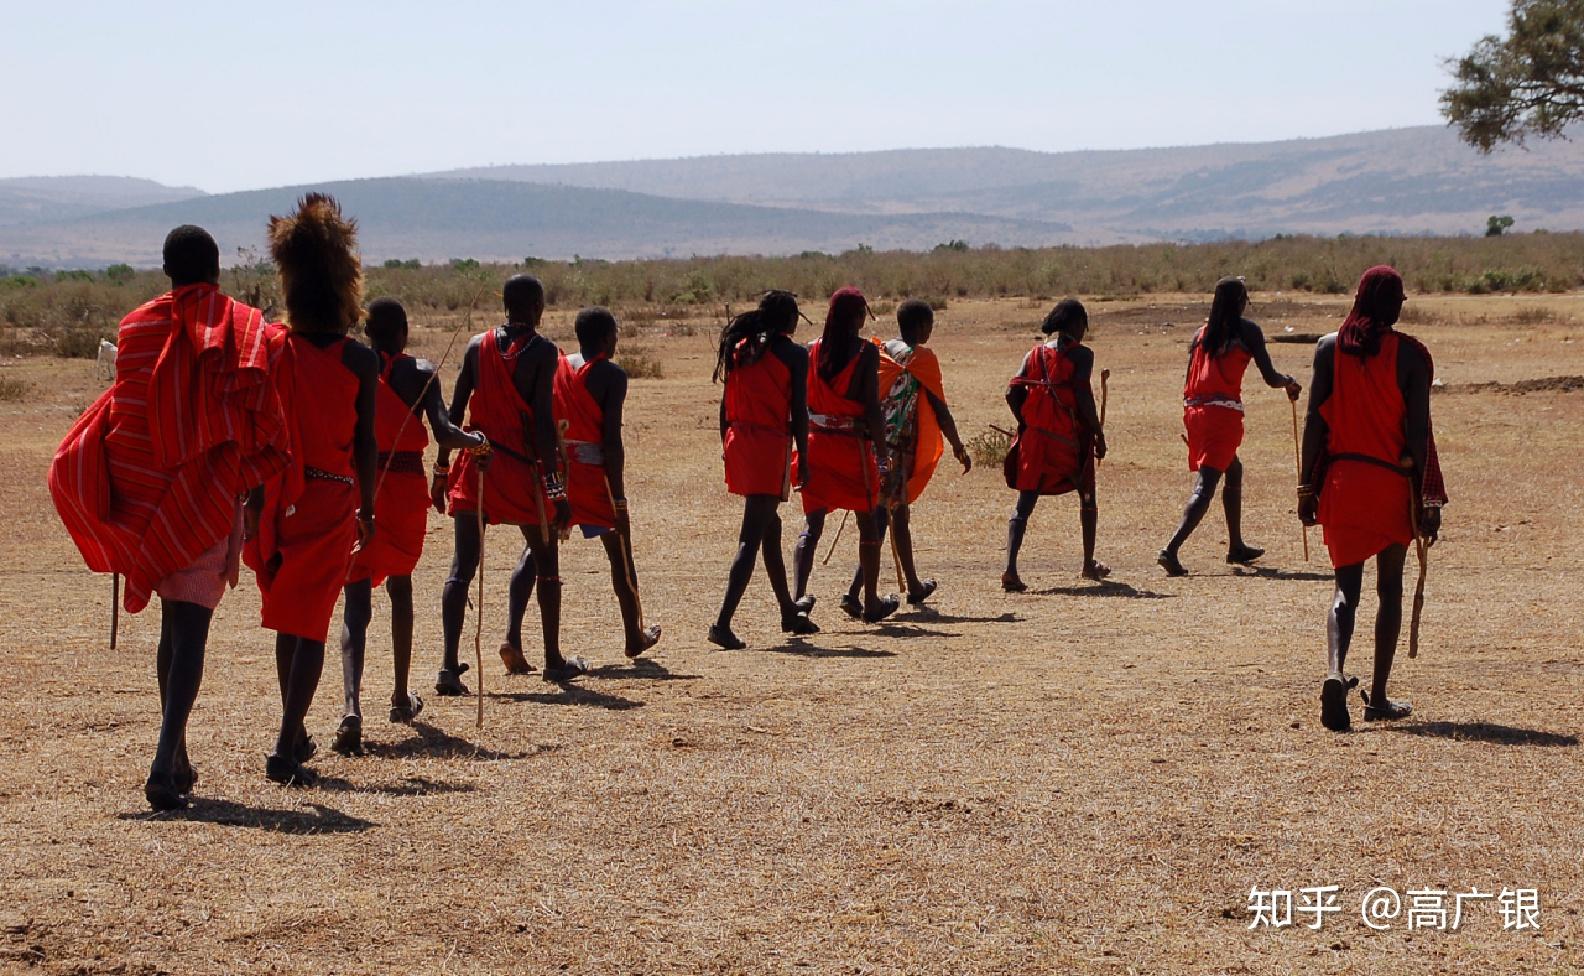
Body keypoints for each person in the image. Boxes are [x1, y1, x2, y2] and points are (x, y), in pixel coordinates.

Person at [50, 225, 289, 810]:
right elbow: (258, 420)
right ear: (216, 271)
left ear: (166, 270)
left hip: (141, 500)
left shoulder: (134, 326)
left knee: (172, 629)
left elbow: (133, 408)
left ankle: (176, 754)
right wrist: (249, 496)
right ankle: (163, 759)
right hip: (202, 498)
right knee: (190, 630)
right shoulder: (243, 329)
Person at [244, 194, 378, 787]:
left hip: (277, 497)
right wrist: (369, 508)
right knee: (312, 622)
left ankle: (293, 731)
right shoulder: (359, 359)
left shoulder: (276, 349)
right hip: (330, 498)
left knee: (287, 616)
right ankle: (284, 739)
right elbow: (367, 442)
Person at [332, 298, 486, 757]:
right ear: (401, 331)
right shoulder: (420, 371)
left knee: (355, 600)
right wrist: (475, 442)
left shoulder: (349, 365)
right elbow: (443, 430)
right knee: (401, 587)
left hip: (359, 483)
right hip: (402, 489)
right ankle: (400, 696)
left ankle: (351, 707)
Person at [1299, 265, 1446, 732]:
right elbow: (1419, 435)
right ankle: (1378, 696)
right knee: (1390, 590)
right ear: (1394, 306)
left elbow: (1314, 425)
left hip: (1342, 484)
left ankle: (1334, 672)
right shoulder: (1411, 357)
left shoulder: (1328, 350)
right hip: (1390, 486)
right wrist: (1427, 502)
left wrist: (1306, 487)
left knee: (1345, 591)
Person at [438, 275, 582, 690]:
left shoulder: (474, 346)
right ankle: (554, 660)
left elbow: (450, 418)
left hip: (475, 465)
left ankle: (448, 668)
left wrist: (444, 468)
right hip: (520, 471)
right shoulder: (541, 352)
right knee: (546, 561)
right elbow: (539, 423)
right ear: (537, 306)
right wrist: (556, 491)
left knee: (461, 567)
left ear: (505, 305)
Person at [502, 307, 662, 661]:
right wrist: (617, 495)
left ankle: (512, 636)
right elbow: (611, 442)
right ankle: (634, 634)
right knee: (620, 551)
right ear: (606, 338)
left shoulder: (557, 364)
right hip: (591, 476)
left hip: (554, 473)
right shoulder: (611, 375)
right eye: (615, 335)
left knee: (536, 553)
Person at [1158, 277, 1302, 576]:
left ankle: (1236, 546)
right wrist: (1289, 382)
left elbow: (1189, 380)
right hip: (1222, 415)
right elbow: (1270, 377)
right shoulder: (1247, 331)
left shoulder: (1200, 334)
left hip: (1195, 411)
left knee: (1233, 469)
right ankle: (1170, 549)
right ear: (1240, 302)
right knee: (1206, 486)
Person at [840, 300, 971, 615]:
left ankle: (913, 585)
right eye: (930, 325)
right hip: (895, 449)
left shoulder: (880, 352)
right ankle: (854, 593)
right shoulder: (921, 359)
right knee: (882, 519)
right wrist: (957, 445)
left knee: (897, 515)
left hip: (871, 445)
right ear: (922, 326)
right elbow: (940, 408)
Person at [705, 292, 819, 649]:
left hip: (739, 439)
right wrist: (805, 453)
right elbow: (799, 410)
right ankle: (722, 623)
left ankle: (787, 610)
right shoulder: (794, 355)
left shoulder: (740, 348)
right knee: (750, 537)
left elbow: (725, 405)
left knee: (770, 526)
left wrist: (728, 444)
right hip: (769, 445)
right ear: (789, 320)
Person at [790, 287, 900, 623]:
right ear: (856, 316)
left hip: (816, 443)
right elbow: (870, 407)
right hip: (851, 447)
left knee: (812, 525)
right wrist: (882, 454)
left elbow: (804, 400)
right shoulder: (866, 353)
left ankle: (798, 598)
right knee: (868, 524)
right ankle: (869, 601)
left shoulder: (811, 350)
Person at [1000, 299, 1108, 591]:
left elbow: (1012, 391)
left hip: (1034, 440)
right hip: (1067, 440)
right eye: (1084, 324)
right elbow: (1083, 396)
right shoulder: (1082, 355)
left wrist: (1026, 421)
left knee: (1024, 504)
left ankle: (1010, 567)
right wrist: (1098, 433)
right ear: (1075, 324)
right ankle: (1088, 563)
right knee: (1087, 495)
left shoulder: (1033, 353)